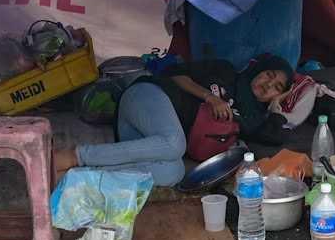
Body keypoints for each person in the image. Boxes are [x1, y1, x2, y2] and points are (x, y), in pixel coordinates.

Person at [54, 54, 294, 187]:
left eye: (276, 87)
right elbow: (173, 74)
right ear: (259, 69)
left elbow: (274, 135)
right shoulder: (224, 68)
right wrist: (210, 97)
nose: (267, 85)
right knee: (174, 144)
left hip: (149, 138)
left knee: (172, 172)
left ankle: (75, 176)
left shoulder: (250, 119)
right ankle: (75, 155)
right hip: (146, 98)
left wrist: (276, 105)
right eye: (268, 75)